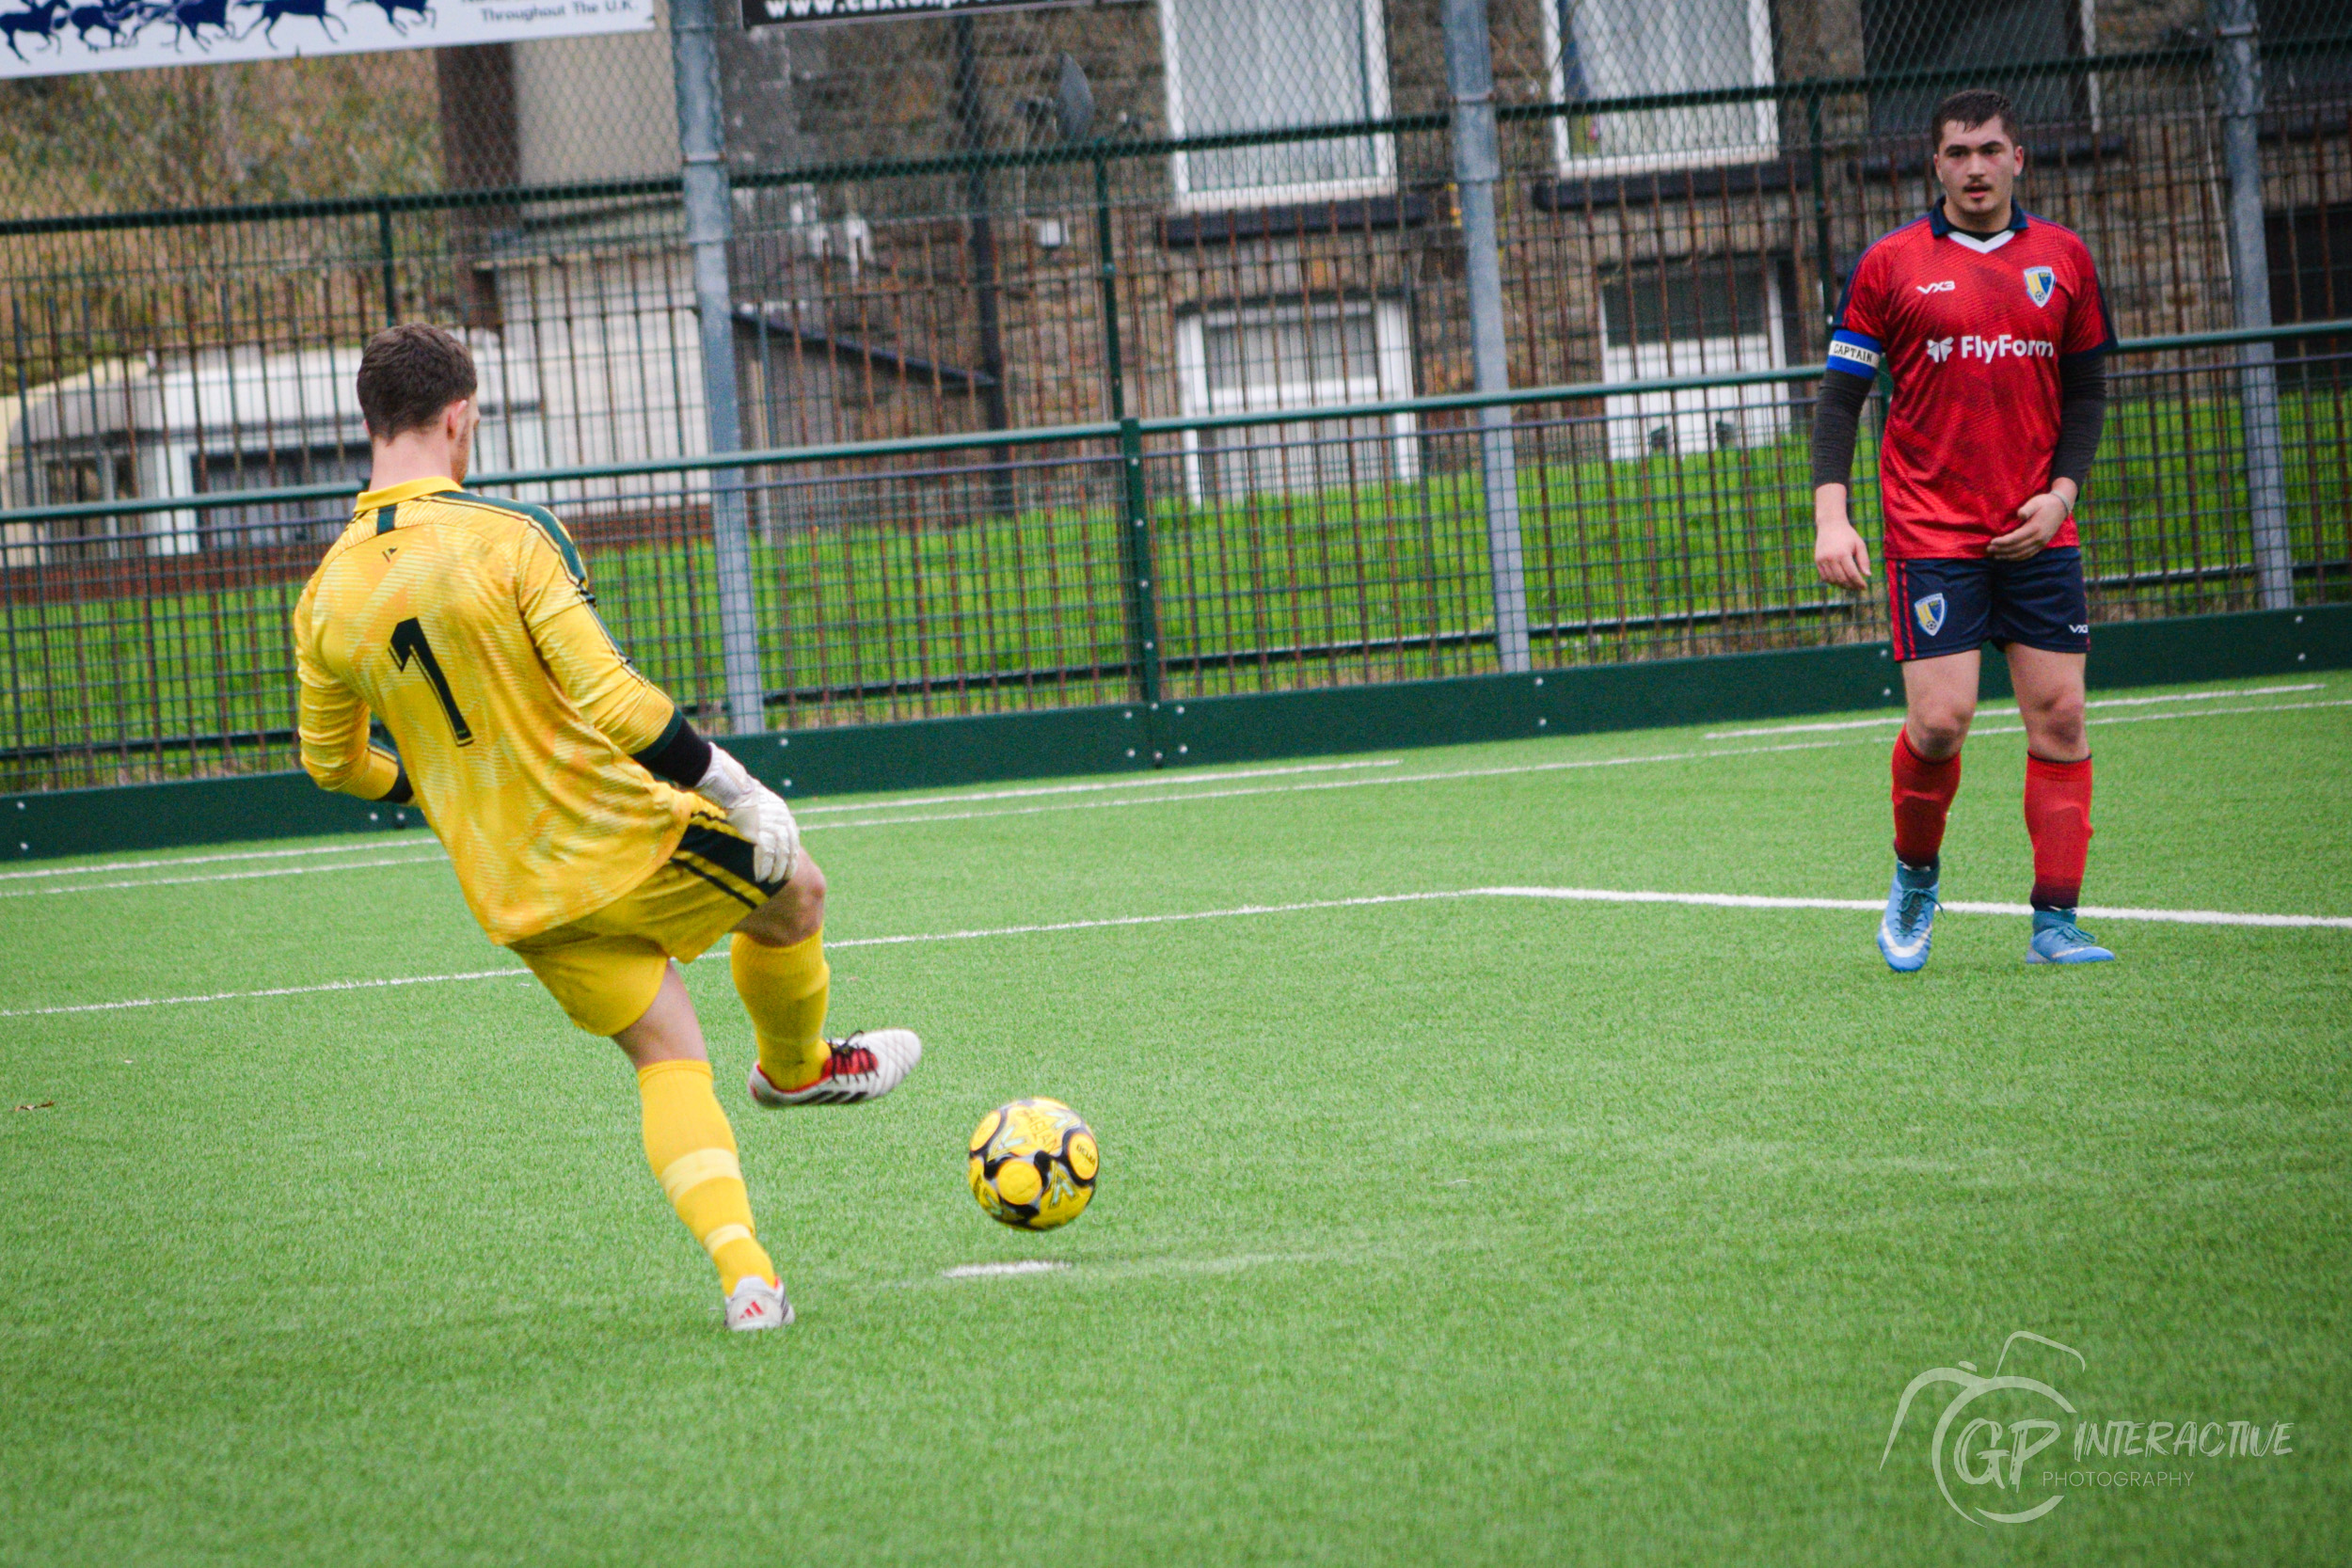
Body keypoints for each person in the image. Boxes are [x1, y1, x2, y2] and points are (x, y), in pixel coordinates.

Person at [292, 323, 919, 1331]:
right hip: (620, 834)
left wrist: (432, 785)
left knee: (667, 1055)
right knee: (797, 889)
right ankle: (798, 1069)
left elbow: (332, 762)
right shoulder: (509, 536)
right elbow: (615, 701)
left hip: (515, 888)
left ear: (369, 424)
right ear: (459, 415)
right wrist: (736, 787)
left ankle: (749, 1280)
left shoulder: (325, 594)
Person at [1811, 87, 2117, 973]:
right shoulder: (1889, 265)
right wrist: (1832, 516)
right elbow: (1840, 401)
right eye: (1958, 153)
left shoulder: (2064, 258)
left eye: (1989, 150)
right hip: (1931, 529)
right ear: (1935, 164)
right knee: (1941, 723)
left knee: (2061, 716)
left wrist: (2061, 497)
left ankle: (2056, 923)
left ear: (2018, 157)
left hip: (2037, 530)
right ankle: (1915, 877)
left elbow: (2087, 394)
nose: (1975, 168)